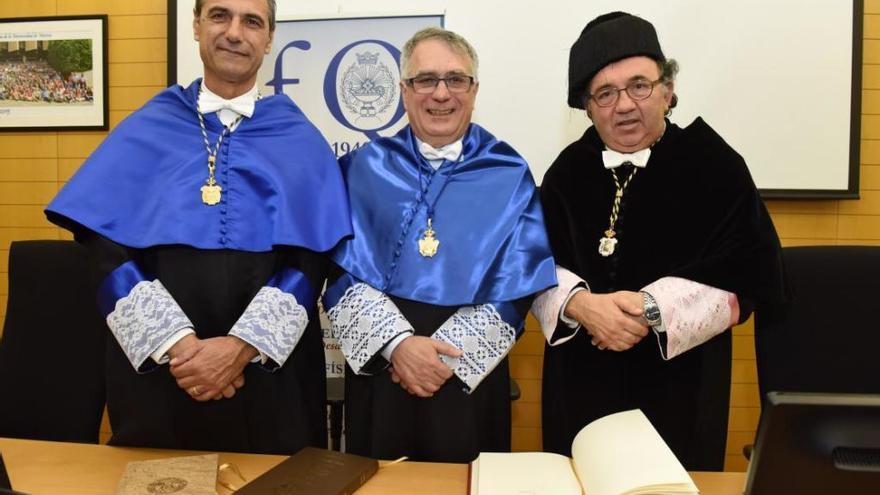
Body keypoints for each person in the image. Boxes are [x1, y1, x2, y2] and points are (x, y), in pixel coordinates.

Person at [44, 0, 351, 454]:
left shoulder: (298, 137)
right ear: (196, 27)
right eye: (219, 16)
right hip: (164, 374)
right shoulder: (148, 126)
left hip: (269, 377)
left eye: (252, 22)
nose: (234, 32)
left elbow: (311, 259)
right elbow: (105, 248)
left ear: (268, 39)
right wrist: (178, 346)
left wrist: (240, 349)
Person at [532, 12, 788, 470]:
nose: (624, 105)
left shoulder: (717, 167)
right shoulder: (565, 173)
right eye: (605, 94)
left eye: (639, 85)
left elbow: (753, 269)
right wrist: (582, 306)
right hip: (581, 383)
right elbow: (530, 260)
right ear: (587, 108)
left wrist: (648, 310)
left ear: (668, 92)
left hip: (682, 385)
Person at [322, 27, 557, 463]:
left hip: (469, 379)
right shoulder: (360, 168)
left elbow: (519, 287)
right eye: (426, 80)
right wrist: (399, 348)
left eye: (456, 79)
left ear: (475, 89)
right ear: (404, 91)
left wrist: (446, 360)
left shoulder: (508, 171)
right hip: (383, 373)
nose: (441, 94)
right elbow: (338, 273)